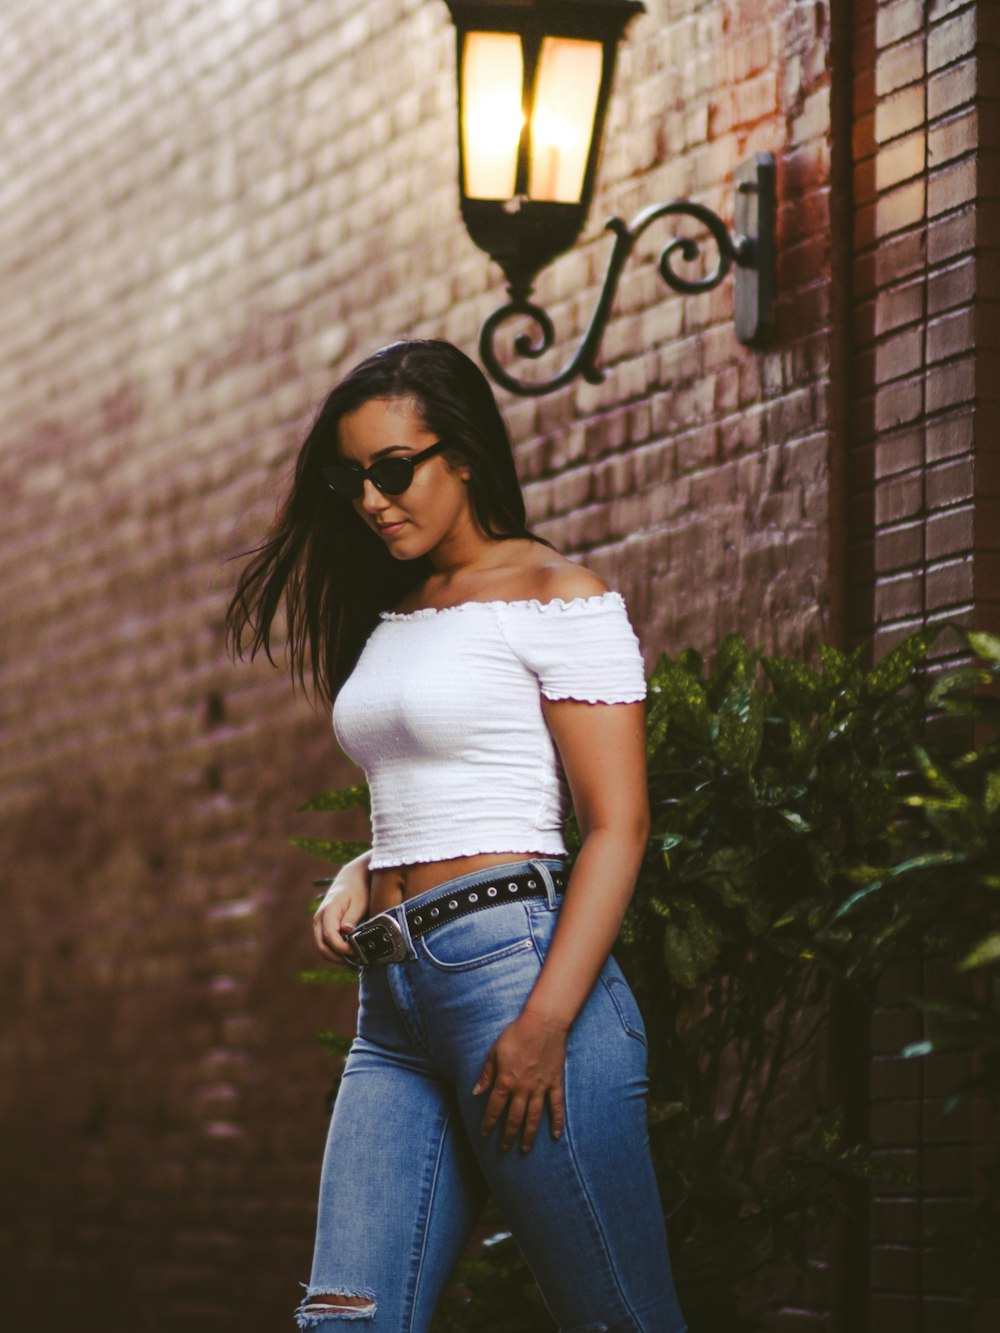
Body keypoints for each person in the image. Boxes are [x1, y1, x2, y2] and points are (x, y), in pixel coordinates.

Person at [227, 339, 686, 1332]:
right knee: (346, 1319)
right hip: (391, 1006)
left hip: (512, 977)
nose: (372, 498)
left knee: (616, 1316)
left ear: (464, 453)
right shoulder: (396, 610)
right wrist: (365, 863)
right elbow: (449, 781)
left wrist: (545, 1024)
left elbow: (615, 824)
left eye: (395, 469)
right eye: (352, 479)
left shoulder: (557, 595)